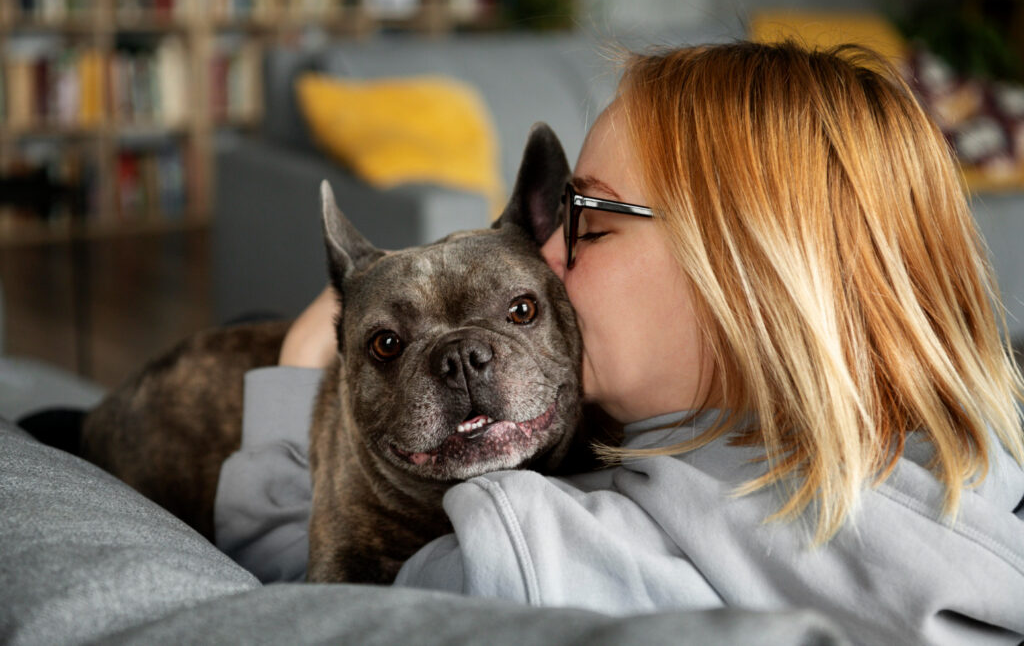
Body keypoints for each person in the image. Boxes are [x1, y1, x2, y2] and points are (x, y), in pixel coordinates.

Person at [218, 41, 1024, 644]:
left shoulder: (533, 554)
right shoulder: (983, 465)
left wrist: (295, 377)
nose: (551, 258)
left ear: (747, 279)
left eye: (591, 225)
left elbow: (304, 594)